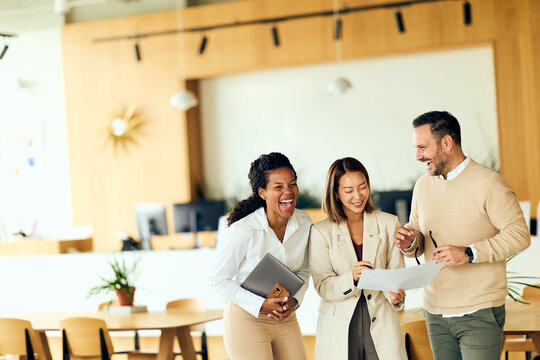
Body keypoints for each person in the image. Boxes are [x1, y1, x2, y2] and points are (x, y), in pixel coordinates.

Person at [394, 111, 531, 360]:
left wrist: (469, 252)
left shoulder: (490, 183)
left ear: (447, 142)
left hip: (480, 311)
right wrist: (410, 241)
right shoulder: (422, 186)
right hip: (435, 312)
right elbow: (418, 232)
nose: (417, 156)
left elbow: (520, 235)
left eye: (422, 147)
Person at [208, 152, 311, 360]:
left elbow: (304, 271)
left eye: (292, 184)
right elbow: (218, 280)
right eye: (278, 187)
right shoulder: (243, 230)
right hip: (247, 318)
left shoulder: (305, 223)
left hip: (285, 317)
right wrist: (261, 304)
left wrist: (294, 302)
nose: (288, 192)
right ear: (262, 192)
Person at [310, 157, 407, 360]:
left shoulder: (389, 223)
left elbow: (397, 277)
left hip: (380, 319)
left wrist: (397, 297)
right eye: (348, 191)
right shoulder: (320, 232)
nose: (358, 196)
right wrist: (351, 277)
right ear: (335, 193)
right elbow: (322, 286)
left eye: (363, 187)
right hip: (339, 323)